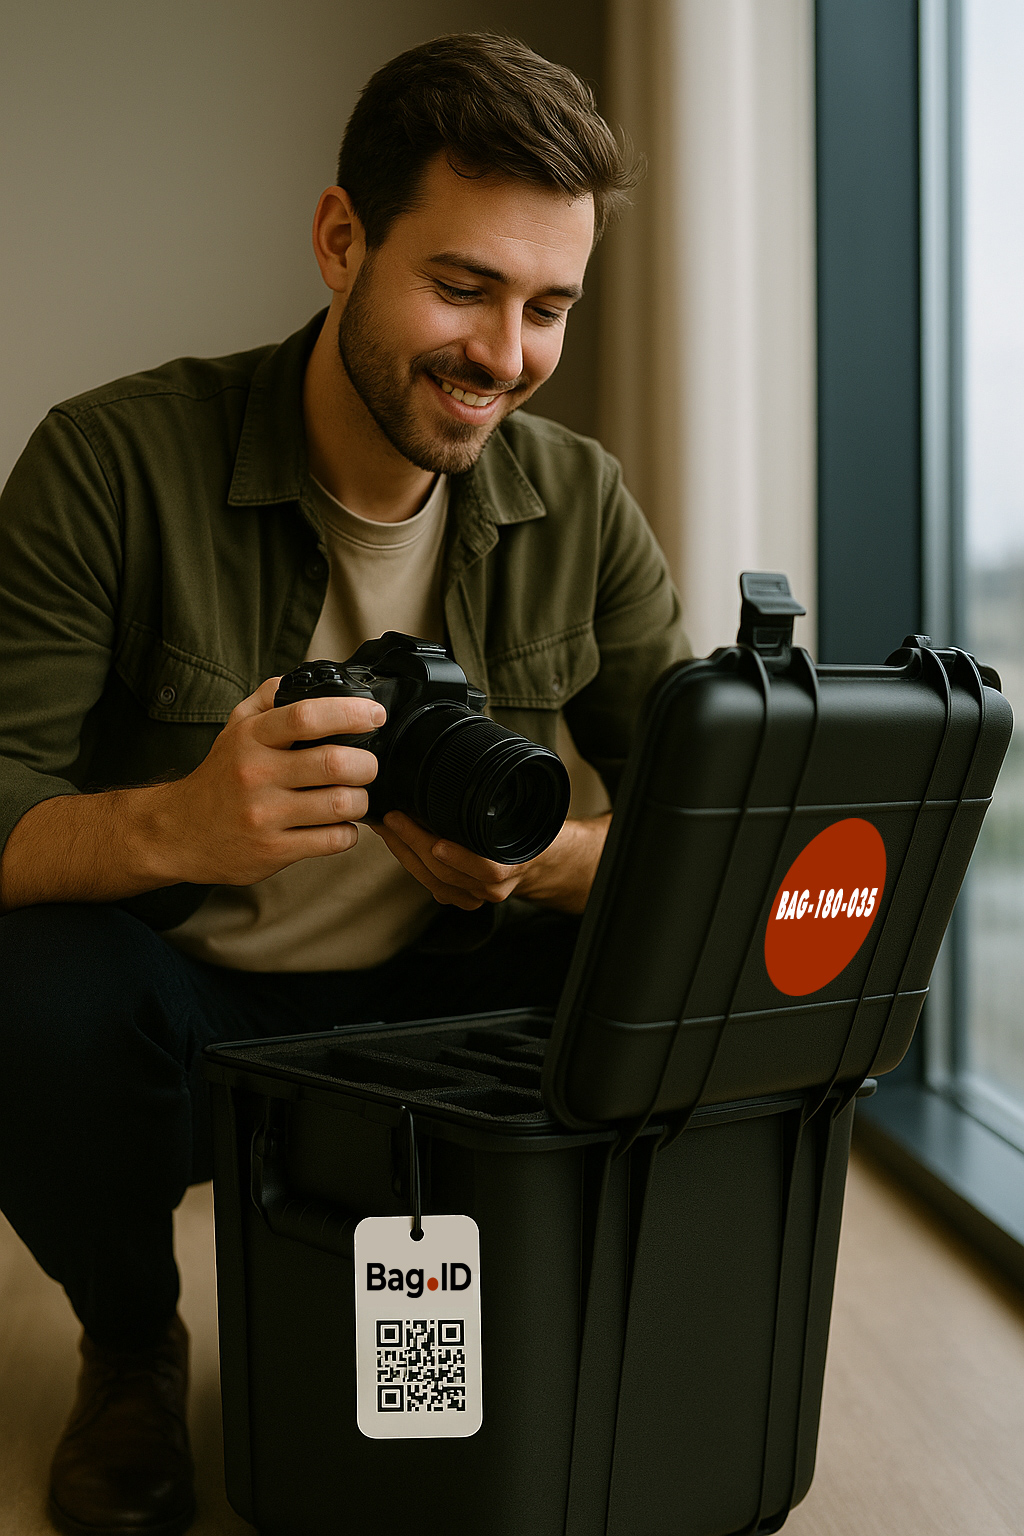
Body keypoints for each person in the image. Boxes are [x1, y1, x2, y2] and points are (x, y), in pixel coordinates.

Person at [0, 32, 688, 1536]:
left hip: (443, 989)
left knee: (674, 945)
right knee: (24, 978)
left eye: (549, 307)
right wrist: (175, 825)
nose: (505, 357)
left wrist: (549, 861)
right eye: (463, 287)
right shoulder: (110, 464)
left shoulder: (583, 501)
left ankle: (602, 1315)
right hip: (176, 1015)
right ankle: (129, 1341)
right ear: (340, 241)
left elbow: (697, 823)